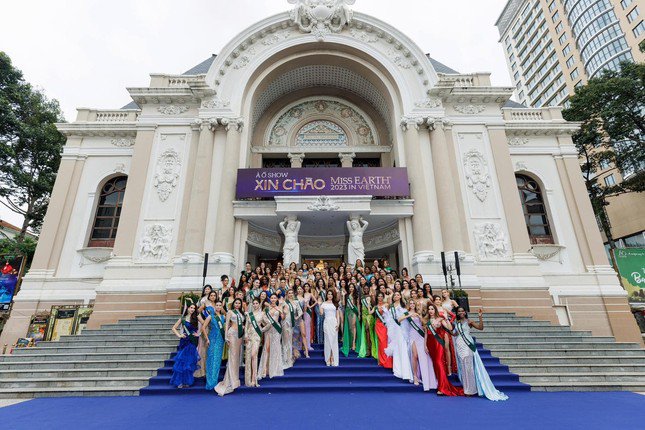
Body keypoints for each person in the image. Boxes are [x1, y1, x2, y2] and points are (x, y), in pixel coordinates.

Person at [452, 307, 508, 401]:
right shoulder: (456, 323)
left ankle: (471, 390)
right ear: (457, 313)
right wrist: (445, 327)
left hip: (467, 346)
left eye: (462, 310)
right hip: (459, 346)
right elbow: (455, 334)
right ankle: (466, 389)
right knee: (463, 368)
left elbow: (481, 328)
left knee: (469, 368)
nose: (461, 312)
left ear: (465, 312)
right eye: (459, 311)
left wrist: (480, 317)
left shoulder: (469, 322)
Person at [425, 303, 464, 396]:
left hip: (438, 344)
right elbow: (426, 334)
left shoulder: (440, 319)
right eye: (429, 309)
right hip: (430, 345)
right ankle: (441, 385)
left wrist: (446, 318)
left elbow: (450, 328)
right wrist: (425, 346)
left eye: (432, 309)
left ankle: (442, 387)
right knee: (435, 364)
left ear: (435, 310)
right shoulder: (427, 321)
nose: (430, 311)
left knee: (439, 363)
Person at [398, 300, 437, 391]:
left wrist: (419, 317)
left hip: (421, 336)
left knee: (423, 356)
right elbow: (399, 320)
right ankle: (415, 376)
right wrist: (409, 315)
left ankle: (424, 376)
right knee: (415, 356)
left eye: (413, 303)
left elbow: (424, 324)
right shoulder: (407, 313)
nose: (412, 304)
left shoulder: (419, 313)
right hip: (412, 336)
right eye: (410, 303)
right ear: (408, 305)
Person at [215, 298, 245, 396]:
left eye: (239, 303)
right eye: (236, 303)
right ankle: (229, 382)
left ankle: (235, 379)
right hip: (232, 334)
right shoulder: (230, 312)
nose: (237, 304)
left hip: (239, 336)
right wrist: (226, 337)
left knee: (237, 358)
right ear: (233, 304)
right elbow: (227, 324)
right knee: (232, 357)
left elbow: (242, 324)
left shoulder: (241, 313)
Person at [384, 291, 413, 382]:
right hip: (393, 330)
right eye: (395, 295)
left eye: (398, 295)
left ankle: (405, 372)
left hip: (401, 330)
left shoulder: (404, 307)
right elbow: (388, 319)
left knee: (402, 348)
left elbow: (406, 319)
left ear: (400, 296)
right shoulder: (390, 307)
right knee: (396, 349)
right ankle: (397, 370)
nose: (396, 296)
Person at [170, 304, 201, 388]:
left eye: (194, 308)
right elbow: (173, 328)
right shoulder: (182, 318)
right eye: (191, 308)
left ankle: (187, 381)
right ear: (188, 308)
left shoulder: (196, 317)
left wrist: (199, 334)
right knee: (182, 361)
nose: (193, 309)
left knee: (189, 361)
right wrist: (179, 335)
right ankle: (180, 381)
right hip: (184, 340)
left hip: (192, 341)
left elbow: (205, 324)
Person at [202, 295, 225, 391]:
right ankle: (210, 382)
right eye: (217, 305)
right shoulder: (211, 316)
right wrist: (207, 339)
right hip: (212, 339)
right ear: (214, 306)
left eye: (220, 305)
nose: (218, 307)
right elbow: (203, 327)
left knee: (217, 361)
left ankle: (214, 381)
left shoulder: (223, 317)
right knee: (211, 359)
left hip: (220, 340)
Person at [259, 293, 285, 379]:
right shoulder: (266, 308)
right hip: (269, 329)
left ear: (277, 299)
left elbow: (283, 318)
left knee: (276, 347)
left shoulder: (279, 308)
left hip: (276, 329)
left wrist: (280, 310)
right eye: (272, 298)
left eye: (275, 298)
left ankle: (275, 368)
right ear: (270, 299)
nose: (273, 299)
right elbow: (262, 318)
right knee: (267, 348)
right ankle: (265, 369)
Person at [245, 298, 267, 388]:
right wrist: (245, 335)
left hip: (257, 337)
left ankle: (255, 379)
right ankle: (249, 380)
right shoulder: (249, 315)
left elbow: (268, 324)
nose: (255, 305)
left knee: (254, 355)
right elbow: (246, 326)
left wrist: (262, 330)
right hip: (249, 337)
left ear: (259, 304)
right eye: (253, 303)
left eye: (256, 303)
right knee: (249, 357)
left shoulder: (262, 314)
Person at [282, 289, 302, 369]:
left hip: (292, 323)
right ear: (287, 294)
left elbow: (300, 312)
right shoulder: (284, 302)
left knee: (290, 341)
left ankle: (290, 358)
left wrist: (296, 318)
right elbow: (281, 311)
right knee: (285, 341)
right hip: (285, 323)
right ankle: (285, 359)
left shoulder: (296, 302)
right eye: (289, 293)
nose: (290, 294)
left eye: (291, 293)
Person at [321, 290, 340, 367]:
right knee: (327, 340)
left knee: (334, 341)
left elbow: (337, 315)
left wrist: (338, 323)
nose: (330, 295)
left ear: (333, 295)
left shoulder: (335, 304)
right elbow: (321, 313)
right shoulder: (323, 304)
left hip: (334, 322)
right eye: (328, 294)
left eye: (331, 294)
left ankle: (333, 357)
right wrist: (320, 306)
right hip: (327, 322)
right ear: (327, 295)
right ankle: (328, 358)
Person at [373, 292, 393, 369]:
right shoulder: (376, 306)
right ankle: (380, 360)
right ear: (377, 297)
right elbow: (370, 312)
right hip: (378, 324)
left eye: (381, 296)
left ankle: (386, 360)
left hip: (384, 324)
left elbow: (389, 314)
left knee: (384, 341)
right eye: (379, 296)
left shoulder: (387, 305)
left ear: (383, 297)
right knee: (380, 342)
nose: (380, 297)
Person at [341, 283, 361, 357]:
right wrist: (343, 296)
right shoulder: (346, 296)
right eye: (350, 287)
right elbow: (343, 304)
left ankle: (354, 343)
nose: (351, 288)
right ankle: (349, 343)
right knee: (349, 328)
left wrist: (359, 314)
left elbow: (358, 305)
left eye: (353, 287)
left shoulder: (356, 296)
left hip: (354, 312)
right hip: (347, 312)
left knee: (353, 326)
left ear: (354, 288)